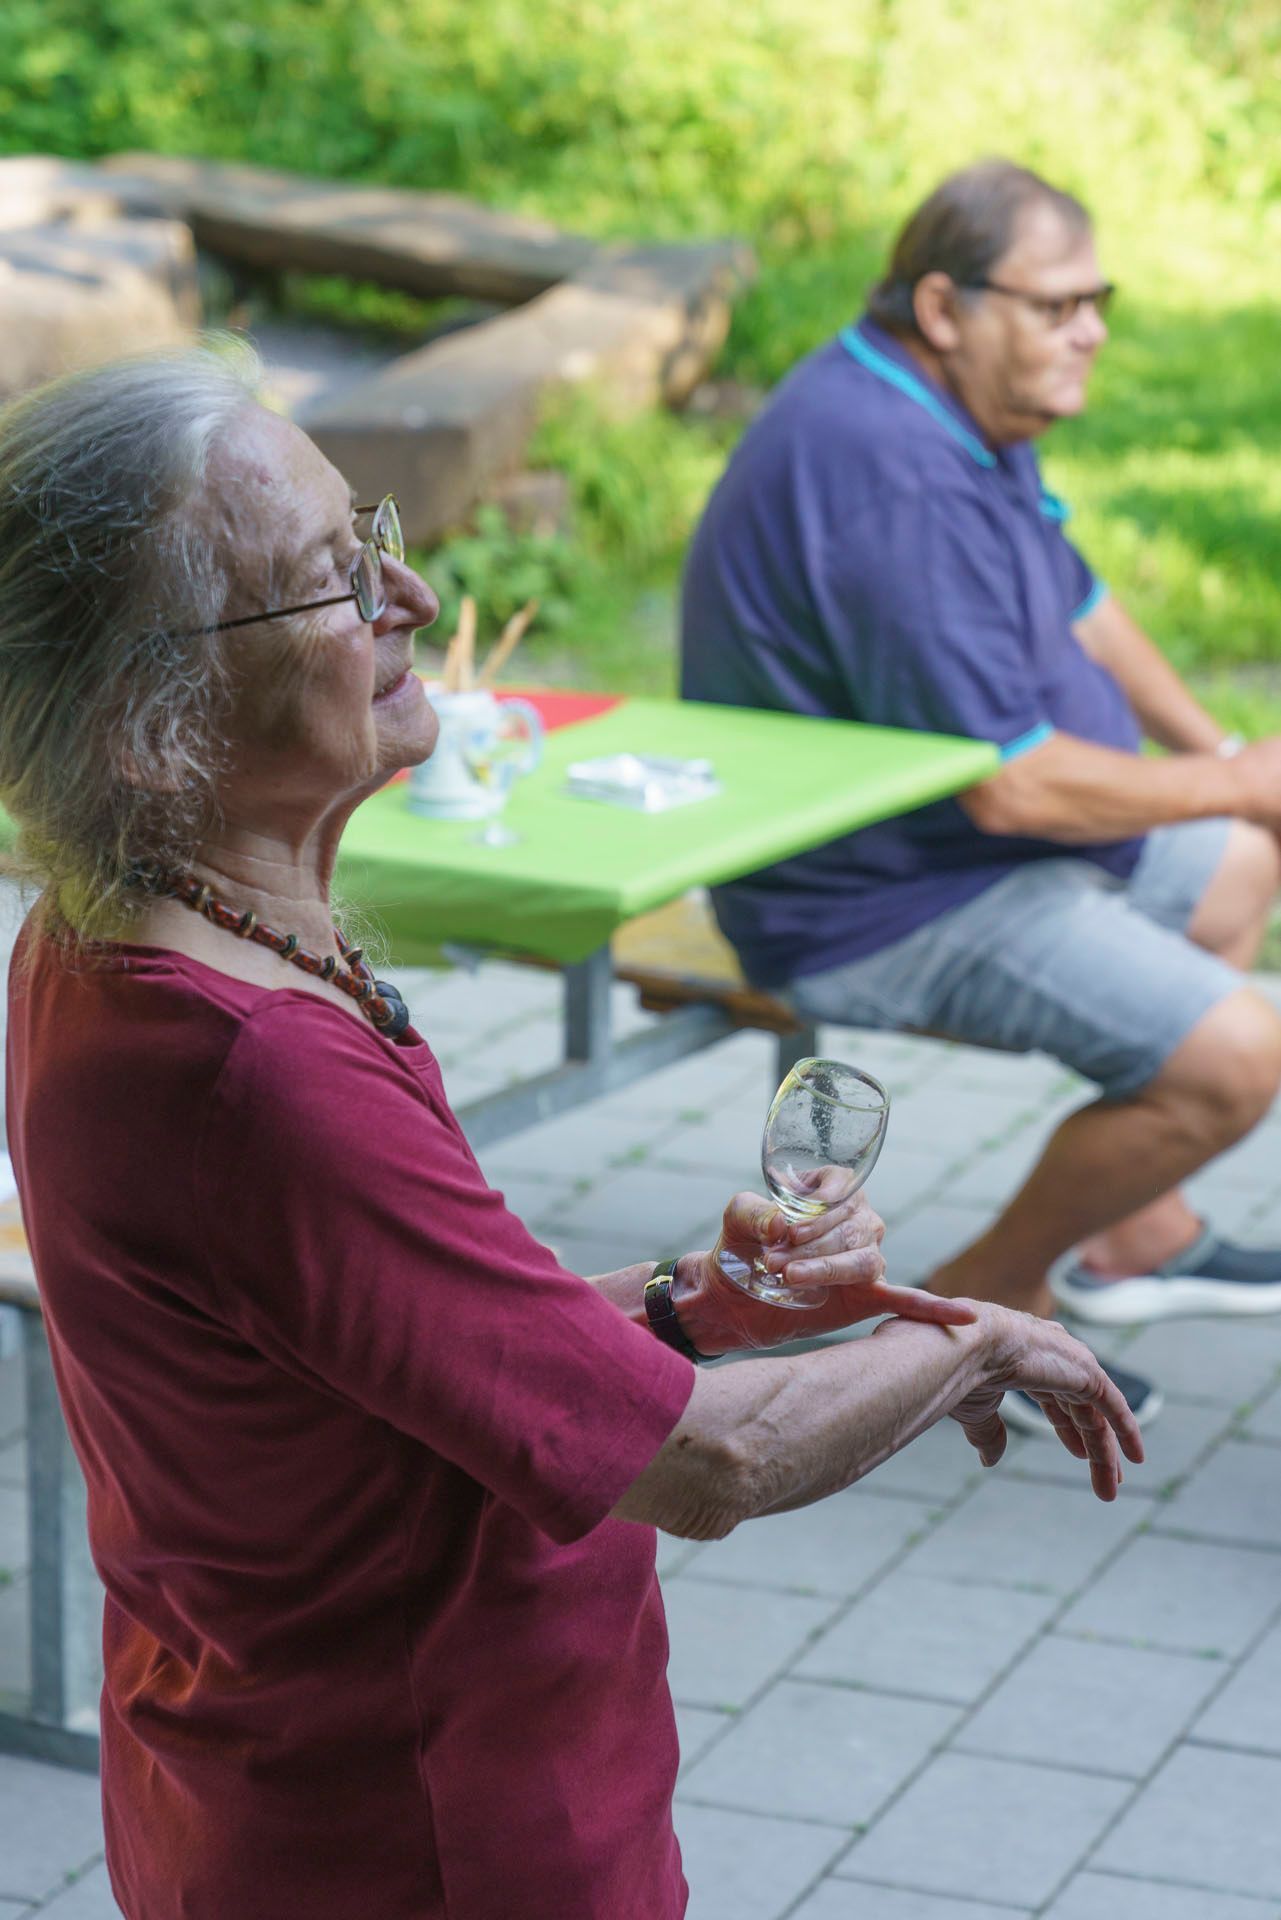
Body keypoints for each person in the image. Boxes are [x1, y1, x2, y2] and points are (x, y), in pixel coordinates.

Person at [0, 343, 1140, 1920]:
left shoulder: (95, 939)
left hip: (269, 1776)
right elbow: (713, 1463)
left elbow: (390, 1346)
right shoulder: (253, 1067)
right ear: (152, 725)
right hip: (421, 1830)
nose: (411, 599)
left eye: (375, 536)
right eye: (332, 585)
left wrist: (691, 1303)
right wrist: (975, 1340)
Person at [681, 157, 1281, 1436]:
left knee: (1238, 859)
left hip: (949, 851)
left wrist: (1235, 772)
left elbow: (1081, 603)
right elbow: (1010, 790)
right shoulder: (889, 470)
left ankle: (1140, 1235)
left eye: (1098, 300)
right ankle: (966, 1317)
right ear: (946, 307)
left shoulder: (953, 407)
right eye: (1057, 304)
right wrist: (1240, 778)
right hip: (870, 897)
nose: (1091, 329)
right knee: (1237, 1057)